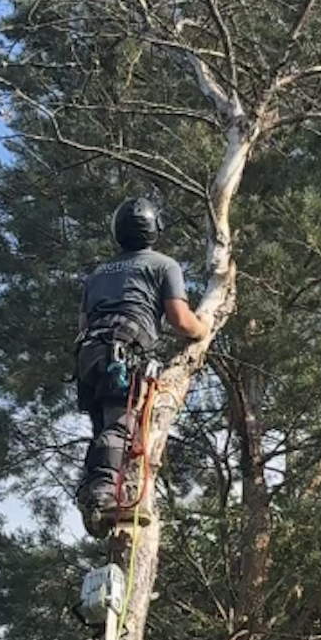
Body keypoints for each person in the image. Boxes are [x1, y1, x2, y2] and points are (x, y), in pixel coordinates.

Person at [75, 196, 209, 538]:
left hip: (89, 354)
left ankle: (94, 493)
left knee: (105, 429)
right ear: (155, 230)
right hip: (123, 352)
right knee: (120, 426)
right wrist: (203, 327)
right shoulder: (164, 265)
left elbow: (83, 324)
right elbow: (181, 321)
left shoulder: (97, 274)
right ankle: (105, 499)